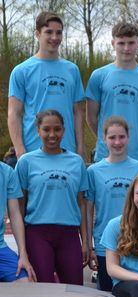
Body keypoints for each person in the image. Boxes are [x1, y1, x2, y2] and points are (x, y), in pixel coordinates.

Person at [15, 110, 89, 284]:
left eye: (57, 129)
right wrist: (22, 247)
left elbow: (82, 204)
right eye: (46, 129)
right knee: (43, 288)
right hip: (38, 233)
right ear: (38, 131)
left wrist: (85, 241)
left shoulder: (76, 162)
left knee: (74, 289)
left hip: (69, 234)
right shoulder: (26, 162)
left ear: (64, 130)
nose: (52, 135)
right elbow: (20, 205)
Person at [86, 22, 138, 164]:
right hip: (105, 156)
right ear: (113, 43)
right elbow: (91, 118)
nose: (126, 48)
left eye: (131, 43)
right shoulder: (98, 76)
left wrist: (137, 140)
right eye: (121, 43)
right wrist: (107, 139)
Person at [8, 11, 85, 159]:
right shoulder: (21, 71)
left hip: (67, 150)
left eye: (59, 33)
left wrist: (81, 147)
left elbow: (78, 113)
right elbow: (14, 114)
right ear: (37, 34)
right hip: (32, 151)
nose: (54, 38)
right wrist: (20, 150)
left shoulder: (72, 70)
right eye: (49, 32)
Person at [86, 116, 138, 291]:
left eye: (121, 137)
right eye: (112, 137)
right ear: (104, 139)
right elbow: (88, 211)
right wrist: (88, 245)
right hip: (105, 245)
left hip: (136, 244)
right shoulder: (93, 171)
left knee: (136, 296)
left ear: (128, 138)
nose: (117, 142)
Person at [0, 162, 36, 282]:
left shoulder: (7, 172)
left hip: (1, 248)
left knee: (27, 279)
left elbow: (15, 214)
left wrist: (22, 254)